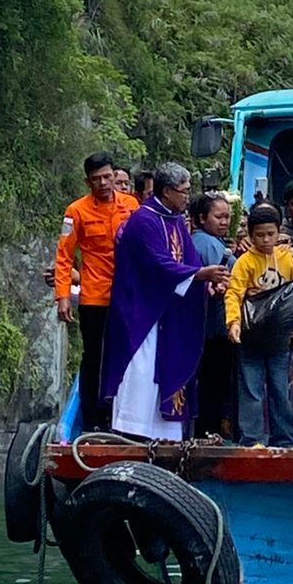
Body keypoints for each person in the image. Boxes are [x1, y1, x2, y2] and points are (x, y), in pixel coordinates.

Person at [103, 163, 229, 441]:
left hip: (168, 311)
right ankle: (132, 430)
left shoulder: (174, 219)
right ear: (168, 191)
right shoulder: (143, 221)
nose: (187, 197)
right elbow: (157, 264)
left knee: (166, 363)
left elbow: (190, 261)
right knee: (142, 369)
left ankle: (166, 433)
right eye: (183, 192)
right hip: (142, 311)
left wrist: (210, 282)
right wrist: (198, 275)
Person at [53, 152, 139, 430]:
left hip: (127, 295)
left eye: (107, 177)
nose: (103, 183)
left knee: (127, 354)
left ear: (115, 176)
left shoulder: (131, 205)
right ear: (87, 182)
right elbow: (64, 255)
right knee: (94, 358)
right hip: (94, 296)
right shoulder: (75, 211)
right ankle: (92, 420)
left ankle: (123, 418)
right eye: (96, 179)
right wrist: (63, 295)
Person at [224, 204, 293, 447]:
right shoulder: (244, 262)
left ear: (279, 232)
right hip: (251, 337)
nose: (266, 239)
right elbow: (233, 293)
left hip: (279, 338)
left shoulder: (288, 259)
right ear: (250, 235)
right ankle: (252, 439)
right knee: (251, 390)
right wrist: (233, 322)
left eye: (270, 234)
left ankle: (285, 440)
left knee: (281, 390)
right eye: (259, 235)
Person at [191, 192, 237, 438]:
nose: (224, 221)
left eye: (227, 216)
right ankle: (208, 433)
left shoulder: (213, 241)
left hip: (209, 327)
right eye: (218, 216)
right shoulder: (206, 243)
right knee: (213, 384)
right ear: (201, 217)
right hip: (213, 328)